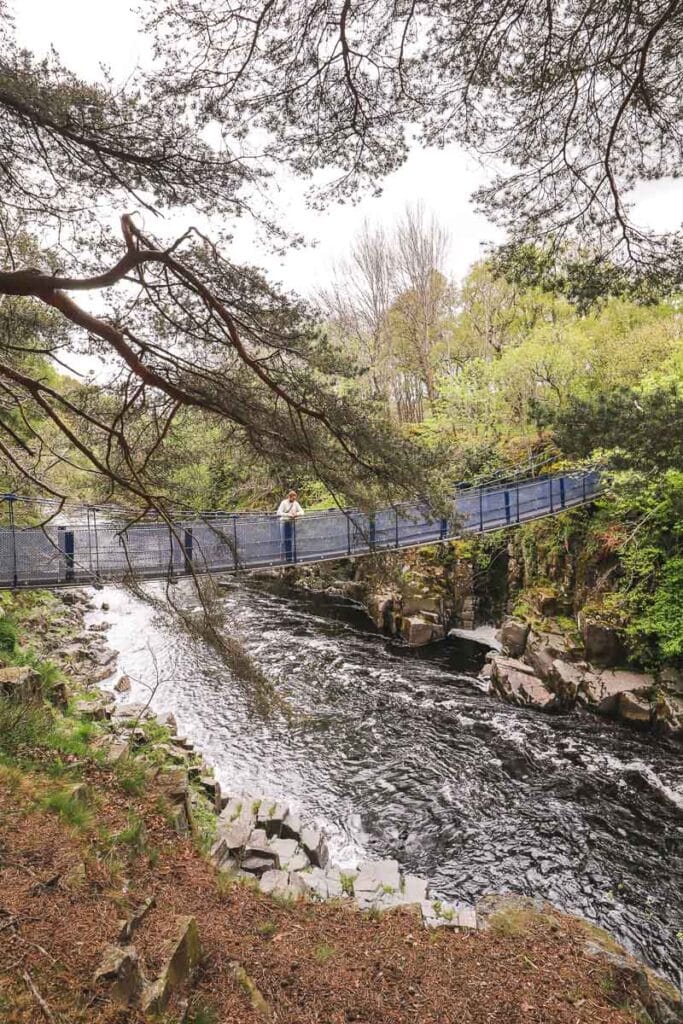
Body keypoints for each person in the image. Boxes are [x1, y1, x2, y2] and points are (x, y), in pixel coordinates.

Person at [276, 490, 304, 562]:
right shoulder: (284, 503)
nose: (294, 500)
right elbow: (278, 513)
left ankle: (290, 558)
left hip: (291, 523)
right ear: (289, 497)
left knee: (291, 540)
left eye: (295, 499)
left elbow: (302, 512)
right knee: (283, 540)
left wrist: (296, 514)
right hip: (284, 522)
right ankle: (281, 557)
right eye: (293, 498)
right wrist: (289, 514)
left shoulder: (295, 503)